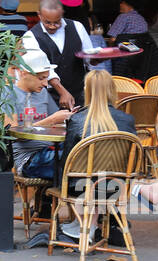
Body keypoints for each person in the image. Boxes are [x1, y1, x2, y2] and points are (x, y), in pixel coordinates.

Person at [56, 69, 139, 242]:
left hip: (81, 186)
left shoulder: (78, 119)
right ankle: (89, 224)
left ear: (87, 90)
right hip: (117, 185)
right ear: (112, 90)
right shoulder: (127, 119)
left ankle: (84, 225)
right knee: (97, 178)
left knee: (70, 172)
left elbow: (67, 161)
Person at [4, 49, 73, 181]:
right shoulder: (8, 94)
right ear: (23, 73)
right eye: (41, 78)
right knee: (76, 160)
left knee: (82, 152)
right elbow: (11, 134)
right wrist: (50, 120)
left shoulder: (42, 93)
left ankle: (51, 199)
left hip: (51, 149)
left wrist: (66, 117)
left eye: (47, 78)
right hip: (28, 158)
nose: (45, 83)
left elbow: (58, 123)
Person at [20, 0, 91, 108]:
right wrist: (62, 92)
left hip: (79, 91)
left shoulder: (77, 27)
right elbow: (43, 67)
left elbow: (88, 56)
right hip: (48, 96)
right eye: (48, 22)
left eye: (57, 22)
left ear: (62, 13)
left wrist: (95, 59)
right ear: (39, 15)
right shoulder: (31, 36)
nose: (52, 26)